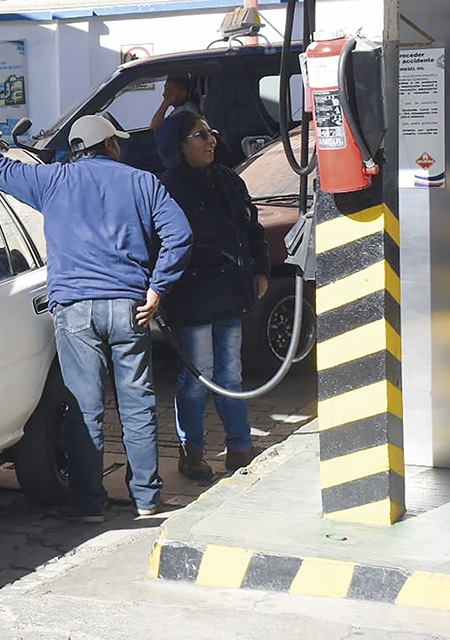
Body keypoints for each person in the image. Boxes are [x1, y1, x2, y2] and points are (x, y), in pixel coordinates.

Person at [0, 107, 192, 521]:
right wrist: (158, 289)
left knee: (85, 409)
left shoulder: (52, 181)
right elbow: (180, 234)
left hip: (74, 310)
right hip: (130, 307)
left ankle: (89, 504)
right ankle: (146, 499)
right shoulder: (143, 182)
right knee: (136, 405)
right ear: (110, 145)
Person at [154, 111, 269, 480]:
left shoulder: (228, 180)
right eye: (200, 135)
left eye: (211, 132)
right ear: (180, 145)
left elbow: (252, 227)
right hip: (192, 300)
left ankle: (240, 447)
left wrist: (261, 269)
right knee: (196, 376)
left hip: (231, 294)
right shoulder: (166, 188)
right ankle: (193, 452)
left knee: (231, 374)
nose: (211, 140)